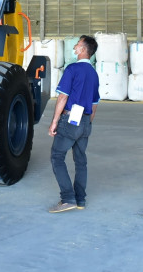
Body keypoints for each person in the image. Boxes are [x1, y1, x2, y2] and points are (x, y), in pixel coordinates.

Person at [48, 35, 99, 213]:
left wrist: (54, 122)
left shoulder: (72, 69)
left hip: (70, 119)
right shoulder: (94, 74)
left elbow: (63, 97)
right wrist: (86, 125)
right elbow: (94, 105)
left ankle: (68, 198)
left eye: (77, 45)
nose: (75, 47)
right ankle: (80, 199)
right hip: (85, 121)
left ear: (83, 50)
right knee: (80, 161)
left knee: (57, 157)